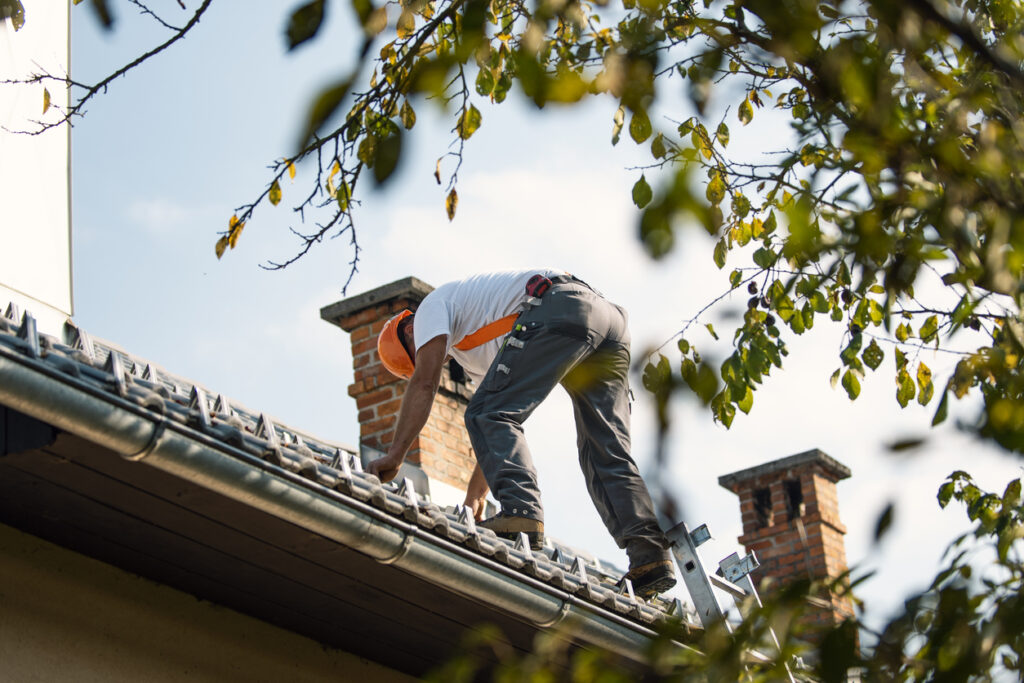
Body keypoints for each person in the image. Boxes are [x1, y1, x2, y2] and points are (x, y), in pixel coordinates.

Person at [366, 269, 676, 599]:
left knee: (486, 412)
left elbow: (427, 385)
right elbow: (496, 427)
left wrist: (395, 455)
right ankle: (649, 556)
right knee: (604, 449)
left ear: (410, 331)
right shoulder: (476, 348)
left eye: (418, 352)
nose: (429, 357)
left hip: (559, 305)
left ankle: (522, 512)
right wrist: (475, 499)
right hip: (607, 322)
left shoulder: (430, 308)